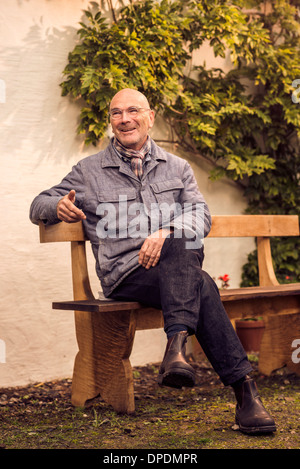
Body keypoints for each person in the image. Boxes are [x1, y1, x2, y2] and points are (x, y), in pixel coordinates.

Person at [30, 88, 276, 435]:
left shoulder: (177, 167)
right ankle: (241, 391)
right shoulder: (89, 171)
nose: (125, 118)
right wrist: (55, 207)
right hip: (126, 274)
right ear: (111, 121)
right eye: (116, 113)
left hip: (174, 265)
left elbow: (199, 215)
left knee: (182, 247)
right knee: (199, 279)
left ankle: (178, 349)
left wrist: (165, 231)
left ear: (151, 117)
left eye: (133, 110)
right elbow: (38, 203)